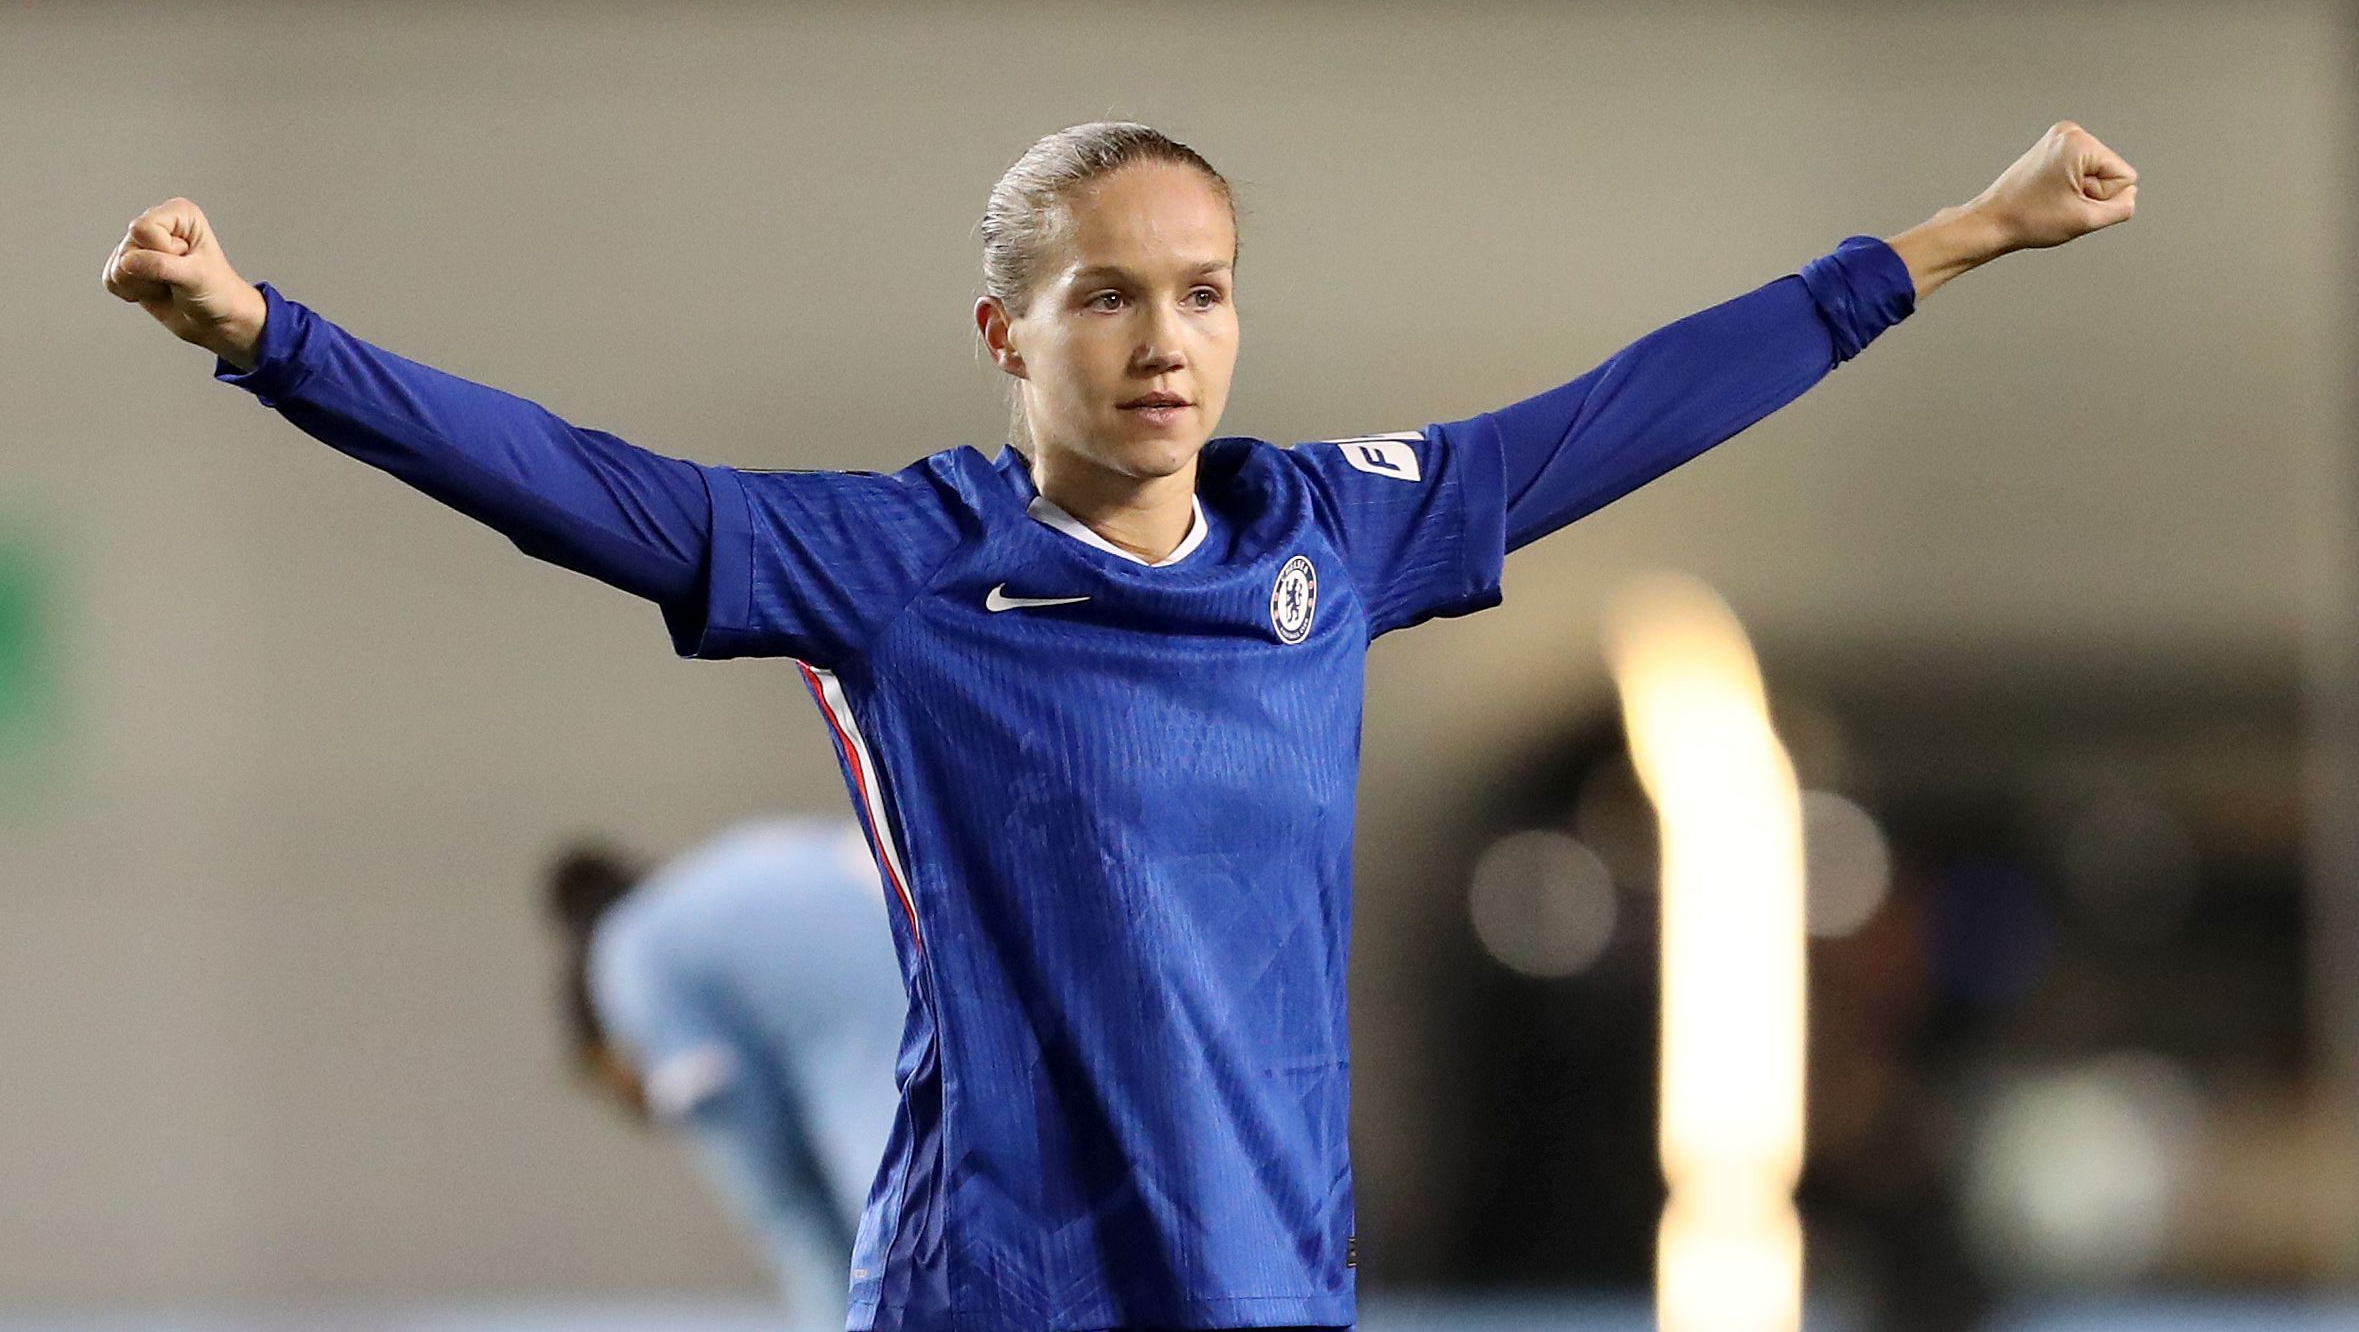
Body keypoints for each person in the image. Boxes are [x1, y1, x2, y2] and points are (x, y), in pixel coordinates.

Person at [103, 118, 2135, 1331]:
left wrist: (1958, 236)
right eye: (1106, 295)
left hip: (1271, 1281)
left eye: (1203, 290)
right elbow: (576, 482)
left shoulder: (1335, 530)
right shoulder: (901, 562)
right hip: (998, 1288)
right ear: (1008, 331)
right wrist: (269, 339)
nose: (1166, 338)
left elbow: (1638, 400)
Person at [543, 820, 906, 1330]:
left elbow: (787, 1205)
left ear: (614, 1048)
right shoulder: (747, 864)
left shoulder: (629, 957)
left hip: (912, 1163)